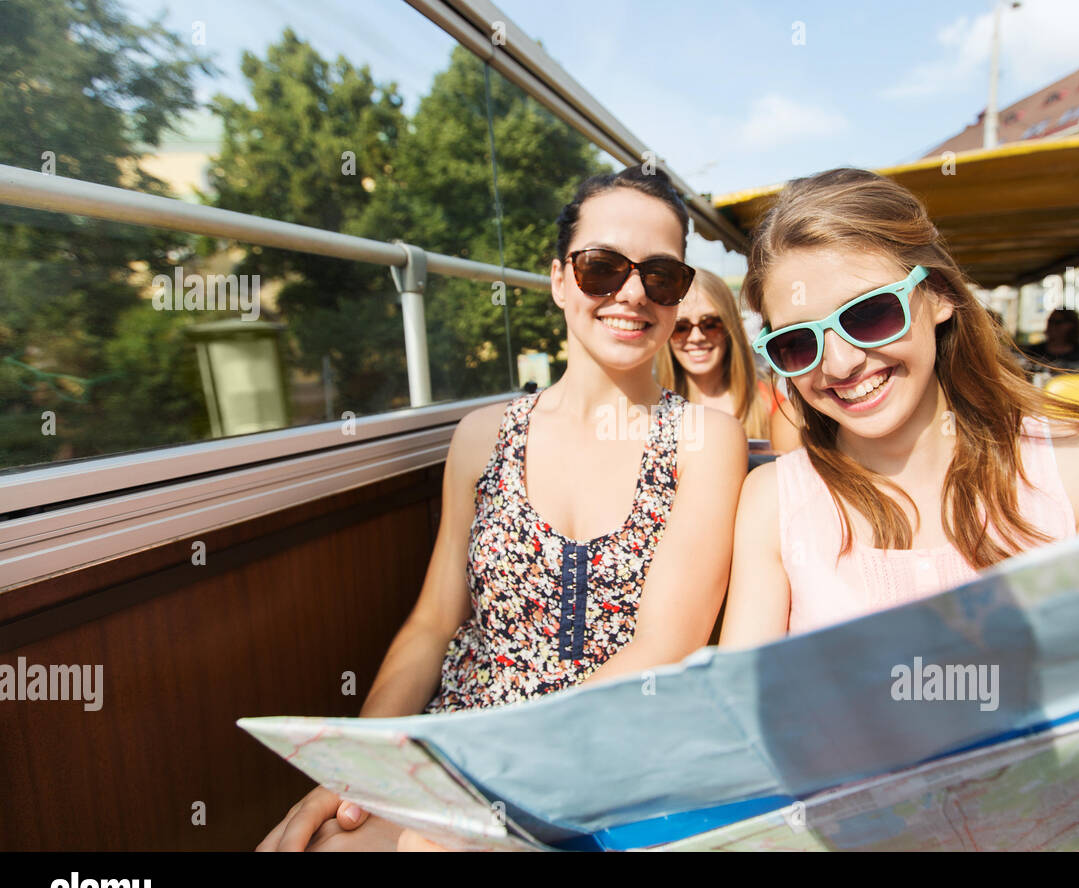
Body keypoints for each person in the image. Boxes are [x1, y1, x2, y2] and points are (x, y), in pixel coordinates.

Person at [718, 167, 1079, 847]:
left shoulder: (1070, 461)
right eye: (797, 342)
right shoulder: (775, 501)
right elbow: (740, 742)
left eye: (869, 313)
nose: (841, 362)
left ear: (937, 297)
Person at [257, 165, 748, 851]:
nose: (633, 292)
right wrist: (358, 771)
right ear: (557, 280)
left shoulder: (704, 439)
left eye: (661, 275)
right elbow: (432, 625)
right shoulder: (483, 437)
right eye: (602, 267)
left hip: (603, 754)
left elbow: (665, 645)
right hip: (464, 735)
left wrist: (492, 780)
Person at [655, 268, 800, 452]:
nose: (697, 337)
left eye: (710, 324)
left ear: (730, 327)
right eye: (681, 327)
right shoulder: (645, 406)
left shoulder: (776, 407)